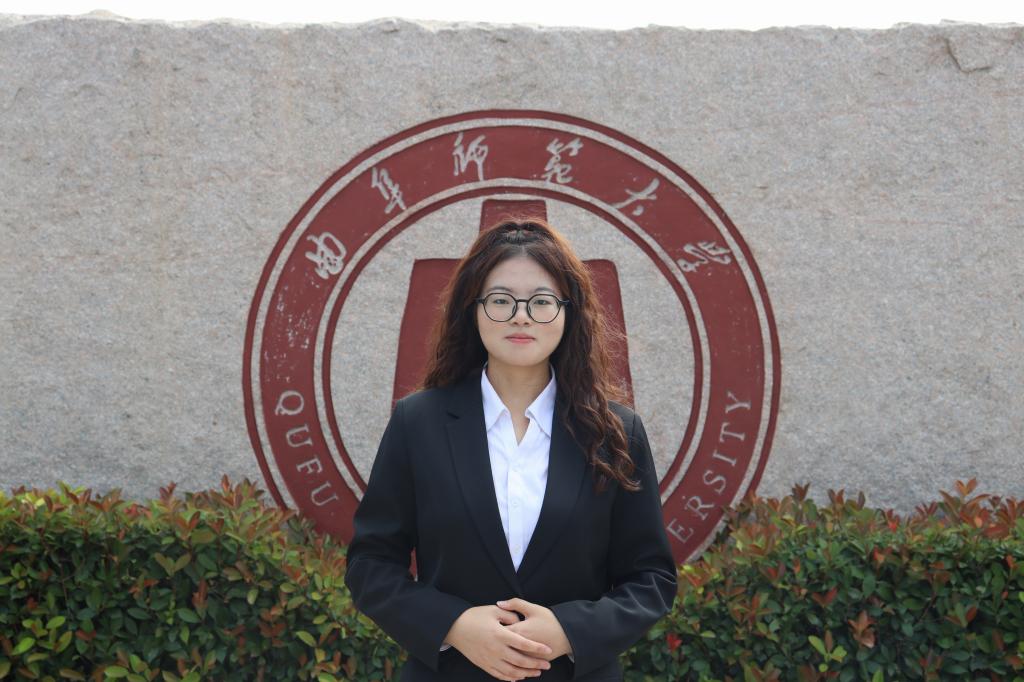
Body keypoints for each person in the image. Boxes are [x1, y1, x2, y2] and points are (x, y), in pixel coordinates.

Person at [344, 219, 678, 681]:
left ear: (569, 313)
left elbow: (651, 579)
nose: (521, 316)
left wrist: (569, 631)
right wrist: (455, 626)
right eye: (501, 300)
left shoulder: (616, 432)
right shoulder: (417, 423)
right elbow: (371, 565)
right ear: (473, 310)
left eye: (541, 301)